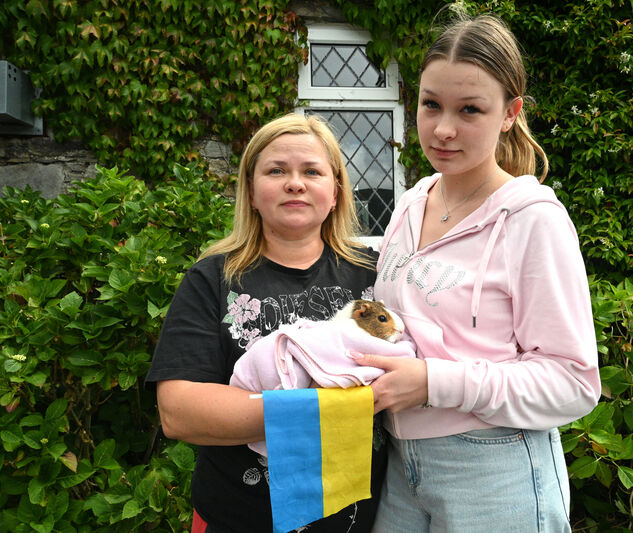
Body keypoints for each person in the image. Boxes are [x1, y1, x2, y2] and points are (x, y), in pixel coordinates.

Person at [351, 13, 601, 533]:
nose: (443, 129)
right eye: (431, 104)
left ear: (510, 113)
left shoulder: (533, 220)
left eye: (470, 110)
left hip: (497, 472)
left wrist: (434, 383)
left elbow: (574, 383)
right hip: (401, 465)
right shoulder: (411, 203)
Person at [146, 113, 387, 533]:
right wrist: (325, 406)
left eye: (312, 171)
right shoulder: (213, 279)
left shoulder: (376, 274)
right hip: (239, 519)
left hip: (365, 518)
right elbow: (179, 411)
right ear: (252, 193)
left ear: (335, 192)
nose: (295, 182)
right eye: (277, 170)